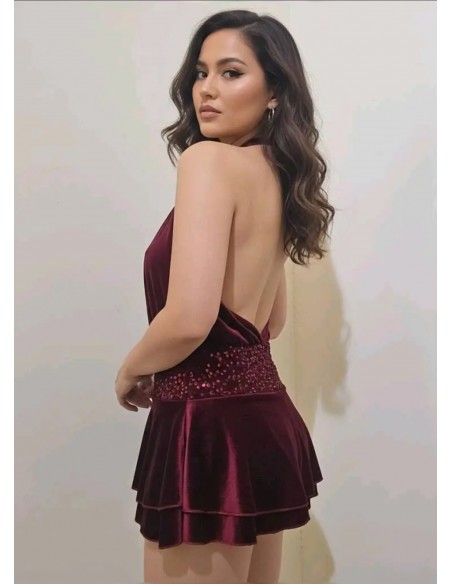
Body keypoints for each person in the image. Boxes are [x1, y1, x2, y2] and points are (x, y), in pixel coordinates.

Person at [114, 8, 335, 584]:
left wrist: (131, 368)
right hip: (264, 423)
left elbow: (191, 318)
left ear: (275, 92)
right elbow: (271, 321)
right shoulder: (277, 175)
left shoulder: (206, 161)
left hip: (205, 430)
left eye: (231, 72)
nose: (207, 89)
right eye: (201, 72)